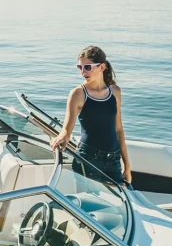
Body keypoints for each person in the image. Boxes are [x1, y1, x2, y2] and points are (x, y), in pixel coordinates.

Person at [49, 45, 132, 187]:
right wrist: (62, 136)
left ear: (102, 67)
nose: (83, 72)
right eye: (79, 67)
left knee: (119, 204)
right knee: (88, 205)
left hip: (113, 160)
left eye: (87, 67)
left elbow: (118, 129)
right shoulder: (77, 94)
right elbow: (66, 130)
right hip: (88, 159)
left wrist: (127, 166)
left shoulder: (115, 92)